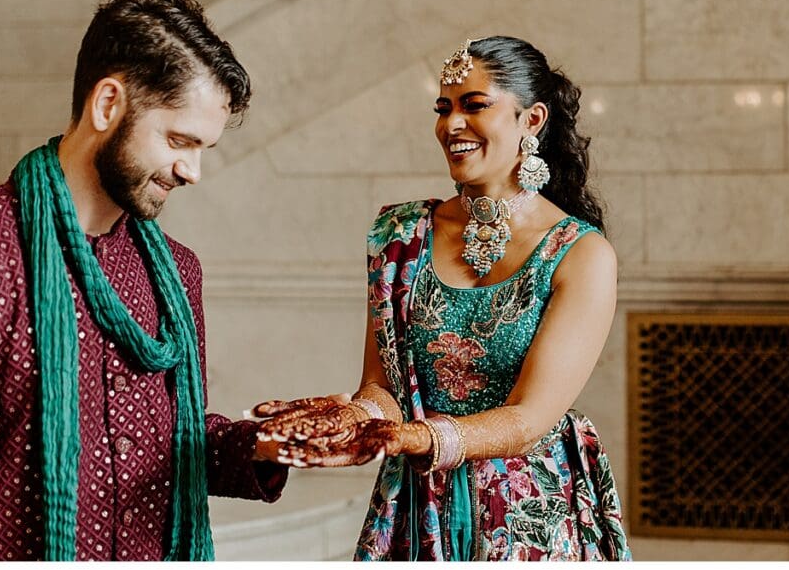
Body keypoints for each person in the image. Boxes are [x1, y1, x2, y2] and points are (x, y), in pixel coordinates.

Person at [0, 0, 289, 561]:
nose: (193, 172)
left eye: (204, 148)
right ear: (108, 104)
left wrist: (268, 443)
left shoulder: (176, 274)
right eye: (179, 141)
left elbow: (165, 445)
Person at [252, 37, 632, 561]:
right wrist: (357, 419)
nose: (451, 125)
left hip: (526, 513)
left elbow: (530, 418)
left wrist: (418, 439)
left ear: (532, 120)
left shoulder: (580, 254)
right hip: (415, 507)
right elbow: (382, 385)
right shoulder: (399, 233)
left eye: (474, 106)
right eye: (443, 108)